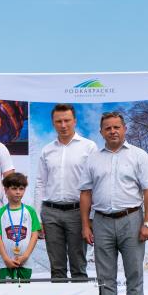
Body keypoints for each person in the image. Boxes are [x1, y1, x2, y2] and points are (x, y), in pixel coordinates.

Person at [80, 111, 148, 295]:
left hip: (132, 220)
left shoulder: (139, 155)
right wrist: (85, 225)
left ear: (124, 129)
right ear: (101, 132)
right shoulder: (93, 158)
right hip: (102, 221)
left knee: (134, 274)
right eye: (108, 128)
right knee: (105, 277)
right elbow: (85, 193)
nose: (112, 131)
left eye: (116, 127)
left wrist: (147, 223)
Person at [35, 104, 97, 280]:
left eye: (67, 120)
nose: (63, 125)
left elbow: (95, 184)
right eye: (58, 121)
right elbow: (40, 183)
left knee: (78, 265)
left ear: (74, 121)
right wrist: (37, 217)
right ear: (53, 123)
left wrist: (90, 217)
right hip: (51, 213)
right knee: (56, 267)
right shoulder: (47, 150)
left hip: (78, 212)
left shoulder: (89, 147)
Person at [0, 173, 41, 281]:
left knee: (24, 290)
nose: (18, 192)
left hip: (25, 262)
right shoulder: (0, 213)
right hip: (5, 263)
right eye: (14, 188)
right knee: (6, 290)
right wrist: (6, 259)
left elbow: (34, 235)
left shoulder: (30, 211)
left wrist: (25, 256)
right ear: (6, 190)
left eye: (21, 189)